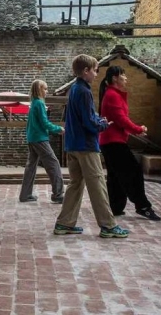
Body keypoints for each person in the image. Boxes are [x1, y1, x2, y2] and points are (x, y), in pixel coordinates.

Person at [54, 54, 129, 238]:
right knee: (98, 185)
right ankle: (108, 225)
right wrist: (103, 124)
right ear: (85, 71)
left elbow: (84, 117)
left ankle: (64, 223)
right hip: (86, 145)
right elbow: (89, 121)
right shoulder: (85, 91)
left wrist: (97, 119)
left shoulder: (74, 89)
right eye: (95, 70)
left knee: (75, 184)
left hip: (72, 144)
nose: (96, 74)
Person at [98, 66, 161, 221]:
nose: (126, 78)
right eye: (123, 75)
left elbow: (121, 119)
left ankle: (115, 207)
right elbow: (121, 119)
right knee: (133, 172)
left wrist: (136, 129)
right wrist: (138, 129)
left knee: (116, 175)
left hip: (110, 141)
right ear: (115, 78)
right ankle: (143, 206)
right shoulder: (112, 95)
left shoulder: (113, 94)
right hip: (113, 142)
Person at [19, 79, 65, 203]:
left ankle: (25, 195)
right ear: (39, 89)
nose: (46, 91)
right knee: (53, 163)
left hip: (32, 137)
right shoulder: (39, 103)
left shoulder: (34, 102)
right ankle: (58, 194)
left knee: (31, 166)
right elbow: (44, 123)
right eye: (45, 89)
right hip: (40, 139)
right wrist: (58, 129)